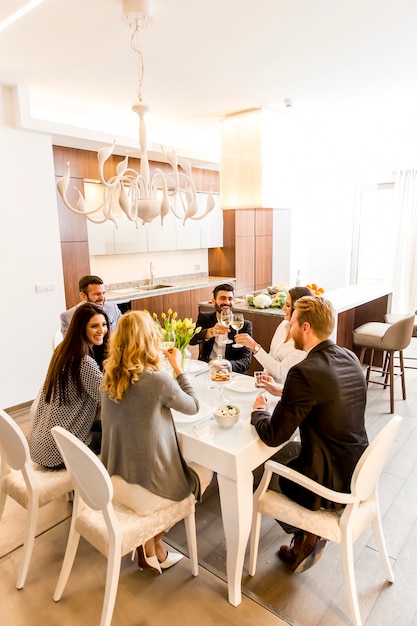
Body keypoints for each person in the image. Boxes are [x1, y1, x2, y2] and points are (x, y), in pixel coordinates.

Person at [251, 296, 368, 574]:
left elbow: (273, 435)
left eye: (291, 323)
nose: (288, 328)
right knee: (287, 453)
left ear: (305, 327)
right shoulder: (347, 356)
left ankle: (306, 530)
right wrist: (282, 392)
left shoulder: (303, 372)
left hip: (327, 484)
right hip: (354, 469)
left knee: (256, 465)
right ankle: (304, 536)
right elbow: (325, 398)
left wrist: (258, 412)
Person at [100, 310, 212, 573]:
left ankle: (148, 546)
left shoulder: (109, 376)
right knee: (204, 472)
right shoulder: (157, 380)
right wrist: (177, 369)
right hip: (144, 487)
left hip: (113, 479)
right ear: (149, 340)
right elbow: (194, 406)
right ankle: (155, 539)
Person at [28, 303, 109, 469]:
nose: (101, 330)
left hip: (41, 445)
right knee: (119, 435)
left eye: (104, 324)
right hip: (59, 452)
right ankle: (103, 487)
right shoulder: (84, 361)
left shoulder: (62, 352)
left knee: (106, 426)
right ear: (81, 328)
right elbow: (109, 397)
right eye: (94, 326)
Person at [235, 286, 313, 386]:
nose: (283, 308)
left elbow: (280, 372)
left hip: (283, 391)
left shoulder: (303, 342)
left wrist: (255, 347)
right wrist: (265, 375)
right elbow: (271, 355)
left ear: (299, 310)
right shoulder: (283, 325)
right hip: (268, 386)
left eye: (288, 306)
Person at [190, 283, 253, 374]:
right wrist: (210, 332)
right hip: (207, 369)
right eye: (222, 298)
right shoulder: (204, 318)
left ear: (234, 301)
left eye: (230, 299)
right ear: (213, 301)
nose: (227, 302)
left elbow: (246, 362)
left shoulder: (244, 325)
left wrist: (225, 364)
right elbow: (192, 340)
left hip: (231, 373)